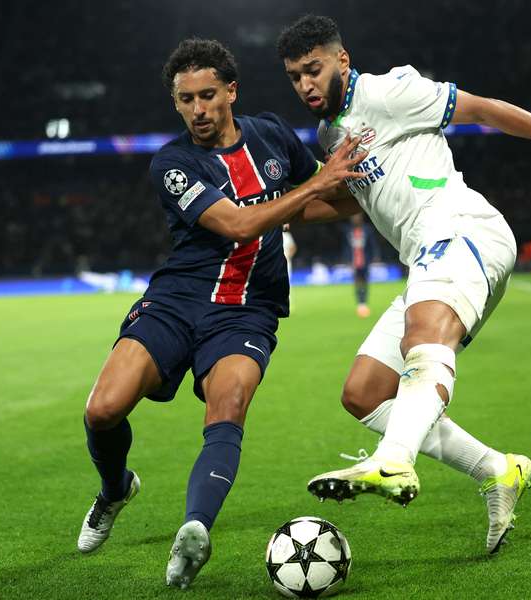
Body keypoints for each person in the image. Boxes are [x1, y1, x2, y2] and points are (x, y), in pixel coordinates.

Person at [277, 15, 531, 553]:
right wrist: (283, 209)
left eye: (313, 70)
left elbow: (483, 110)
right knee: (364, 392)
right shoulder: (329, 135)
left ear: (342, 60)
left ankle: (395, 460)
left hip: (464, 230)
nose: (305, 85)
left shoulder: (391, 90)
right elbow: (352, 198)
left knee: (423, 338)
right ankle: (499, 469)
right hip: (426, 258)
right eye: (295, 76)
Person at [74, 38, 364, 589]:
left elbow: (317, 204)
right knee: (102, 411)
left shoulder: (273, 135)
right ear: (176, 103)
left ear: (231, 91)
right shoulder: (174, 164)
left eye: (208, 95)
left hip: (248, 312)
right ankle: (115, 490)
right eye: (186, 99)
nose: (198, 109)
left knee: (227, 407)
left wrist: (371, 188)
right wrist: (321, 180)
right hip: (177, 302)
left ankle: (195, 532)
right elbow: (236, 224)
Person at [345, 213, 378, 317]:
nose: (355, 219)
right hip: (354, 261)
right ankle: (359, 302)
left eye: (357, 218)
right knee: (357, 281)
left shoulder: (367, 230)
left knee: (365, 281)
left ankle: (364, 302)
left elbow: (373, 244)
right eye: (353, 218)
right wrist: (347, 259)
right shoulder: (349, 231)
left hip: (365, 260)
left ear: (361, 219)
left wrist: (375, 256)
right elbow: (345, 246)